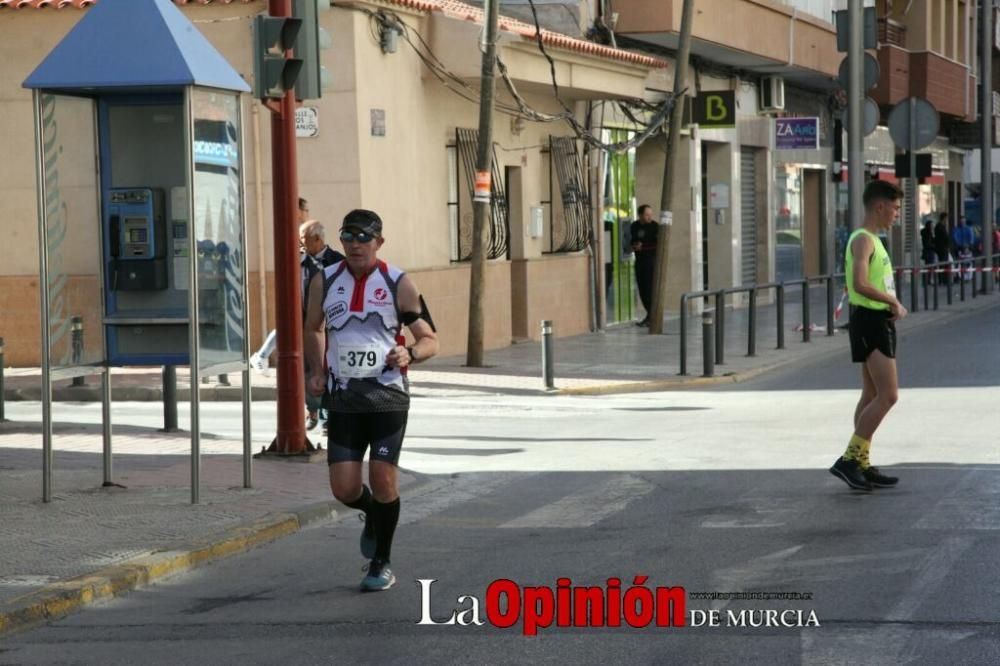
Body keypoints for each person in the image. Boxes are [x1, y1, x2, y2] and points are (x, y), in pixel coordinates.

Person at [305, 209, 438, 592]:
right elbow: (312, 327)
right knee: (344, 489)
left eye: (364, 238)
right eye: (349, 237)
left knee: (383, 479)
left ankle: (381, 561)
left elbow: (431, 339)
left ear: (379, 241)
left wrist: (410, 354)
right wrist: (317, 369)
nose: (356, 244)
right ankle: (371, 515)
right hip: (344, 398)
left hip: (387, 398)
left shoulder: (398, 282)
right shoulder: (324, 280)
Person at [829, 180, 906, 492]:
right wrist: (893, 302)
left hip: (874, 320)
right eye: (896, 208)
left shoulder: (872, 238)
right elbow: (859, 283)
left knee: (871, 395)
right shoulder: (863, 240)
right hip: (872, 321)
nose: (897, 214)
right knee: (889, 395)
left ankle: (861, 461)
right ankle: (850, 459)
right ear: (880, 206)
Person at [249, 196, 312, 376]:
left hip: (302, 280)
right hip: (295, 281)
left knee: (297, 322)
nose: (307, 213)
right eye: (305, 210)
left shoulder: (298, 228)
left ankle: (262, 355)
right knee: (292, 322)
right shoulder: (293, 229)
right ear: (298, 211)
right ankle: (261, 355)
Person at [299, 220, 346, 431]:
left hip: (331, 326)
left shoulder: (338, 262)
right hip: (305, 324)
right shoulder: (298, 261)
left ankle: (331, 416)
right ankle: (312, 412)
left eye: (303, 239)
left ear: (317, 239)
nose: (300, 243)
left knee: (331, 368)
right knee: (309, 369)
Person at [629, 204, 658, 326]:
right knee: (642, 290)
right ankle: (650, 315)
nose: (649, 217)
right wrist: (634, 246)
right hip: (639, 261)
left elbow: (658, 245)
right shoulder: (634, 226)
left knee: (649, 289)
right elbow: (631, 240)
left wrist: (643, 247)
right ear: (640, 215)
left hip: (650, 261)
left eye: (650, 214)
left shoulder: (655, 227)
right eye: (647, 215)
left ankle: (652, 317)